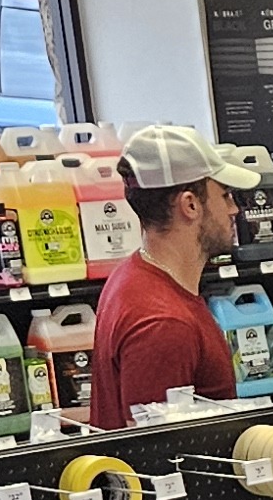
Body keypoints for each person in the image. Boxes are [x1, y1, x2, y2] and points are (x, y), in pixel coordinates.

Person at [91, 122, 245, 430]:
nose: (235, 209)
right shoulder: (165, 324)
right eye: (225, 195)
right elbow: (158, 458)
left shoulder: (131, 277)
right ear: (190, 204)